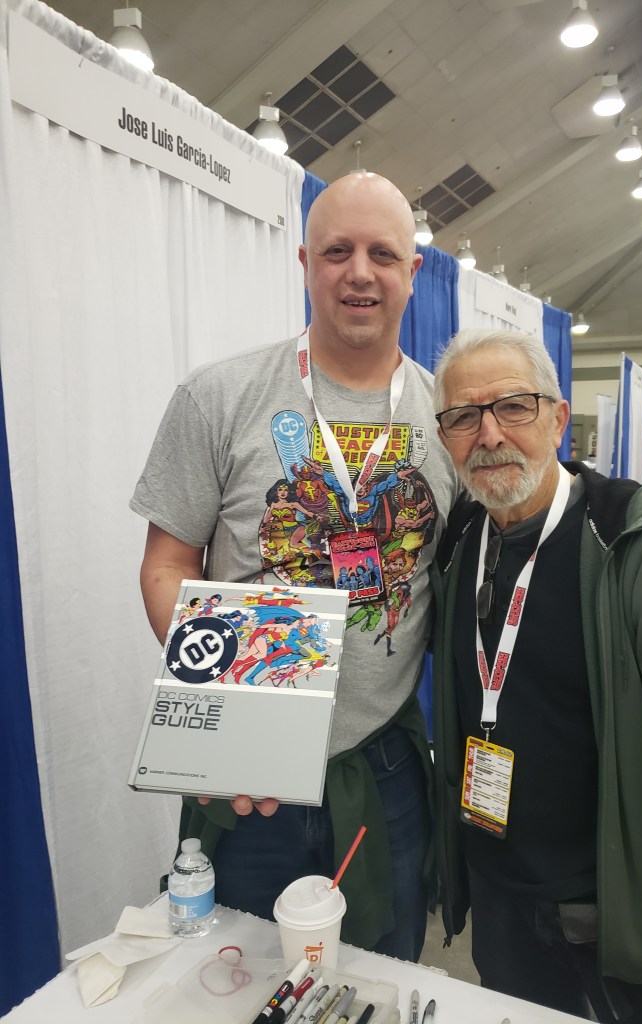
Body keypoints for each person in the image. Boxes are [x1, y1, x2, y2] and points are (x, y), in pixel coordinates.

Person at [130, 171, 460, 960]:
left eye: (383, 254)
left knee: (380, 977)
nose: (359, 272)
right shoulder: (220, 396)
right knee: (231, 977)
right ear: (306, 261)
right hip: (246, 776)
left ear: (413, 272)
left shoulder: (447, 420)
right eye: (337, 251)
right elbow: (165, 565)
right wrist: (229, 707)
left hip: (382, 766)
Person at [429, 327, 642, 1024]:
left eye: (513, 406)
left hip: (619, 915)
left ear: (558, 419)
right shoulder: (460, 540)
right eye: (463, 416)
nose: (489, 434)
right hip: (502, 904)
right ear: (445, 437)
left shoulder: (638, 540)